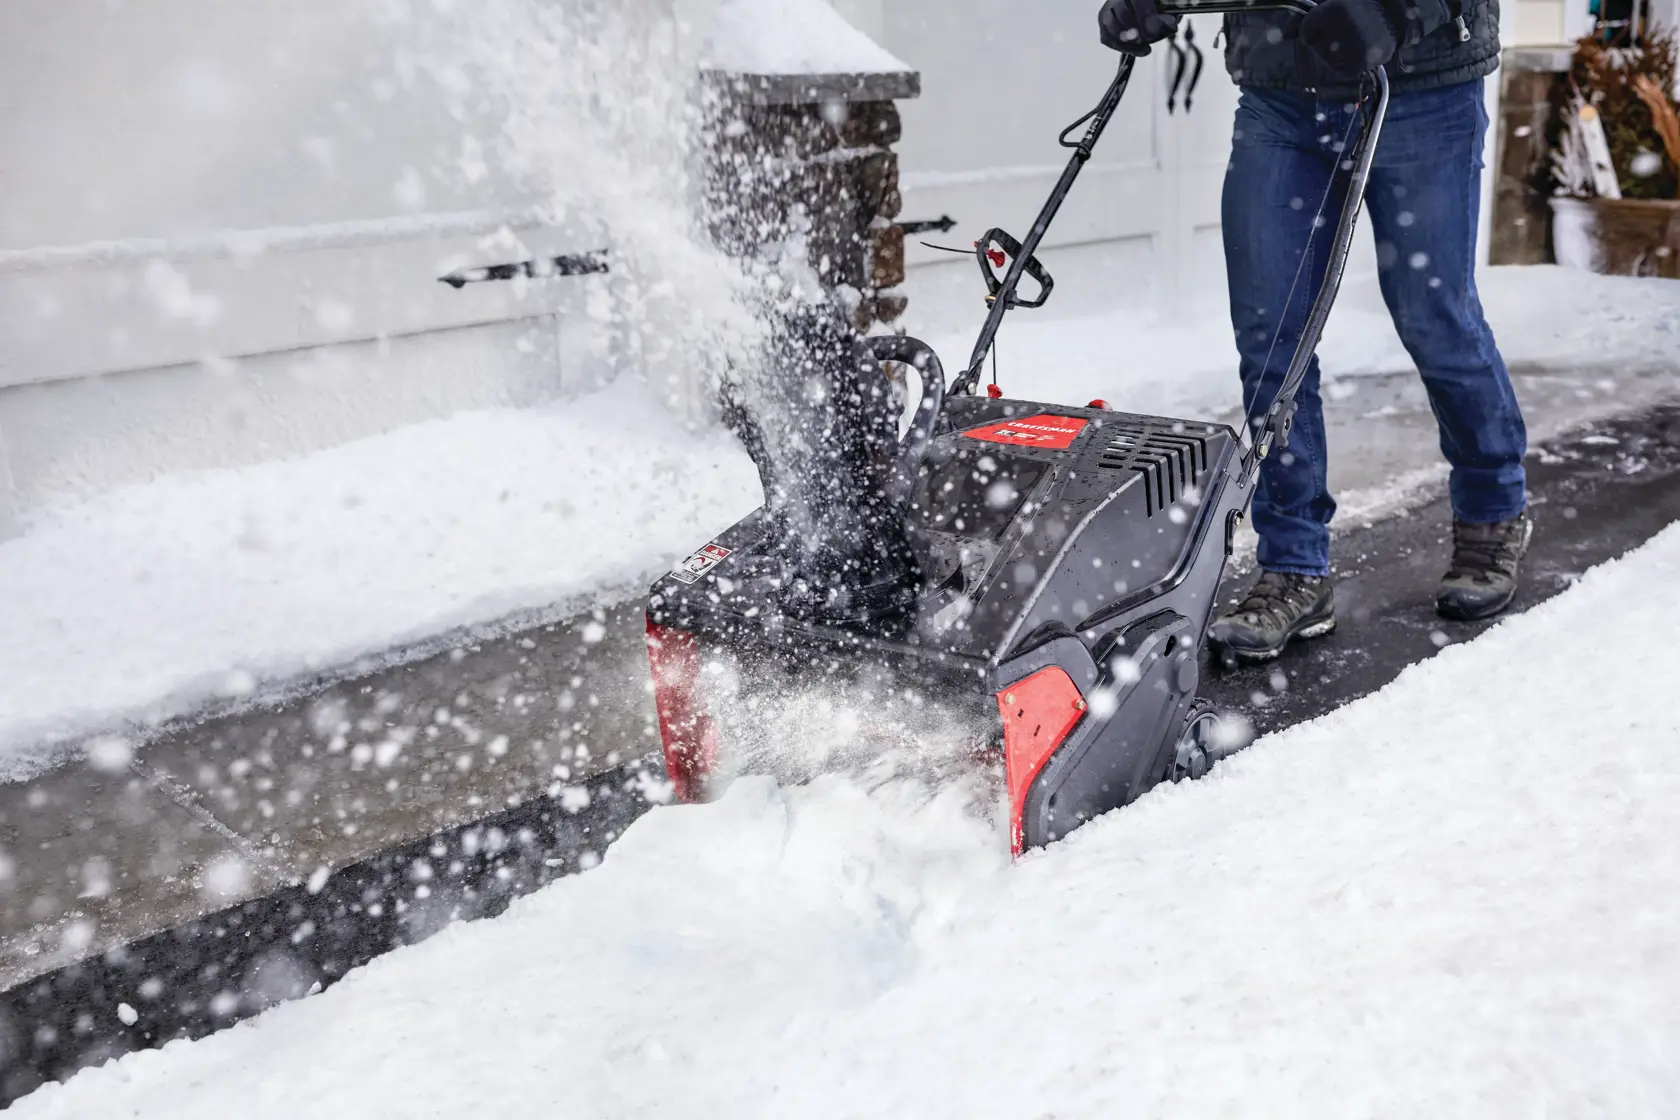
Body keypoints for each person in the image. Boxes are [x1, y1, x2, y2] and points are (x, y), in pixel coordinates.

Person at [1098, 0, 1534, 663]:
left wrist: (1400, 14)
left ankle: (1492, 508)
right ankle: (1294, 566)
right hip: (1283, 91)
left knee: (1433, 315)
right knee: (1273, 338)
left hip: (1422, 85)